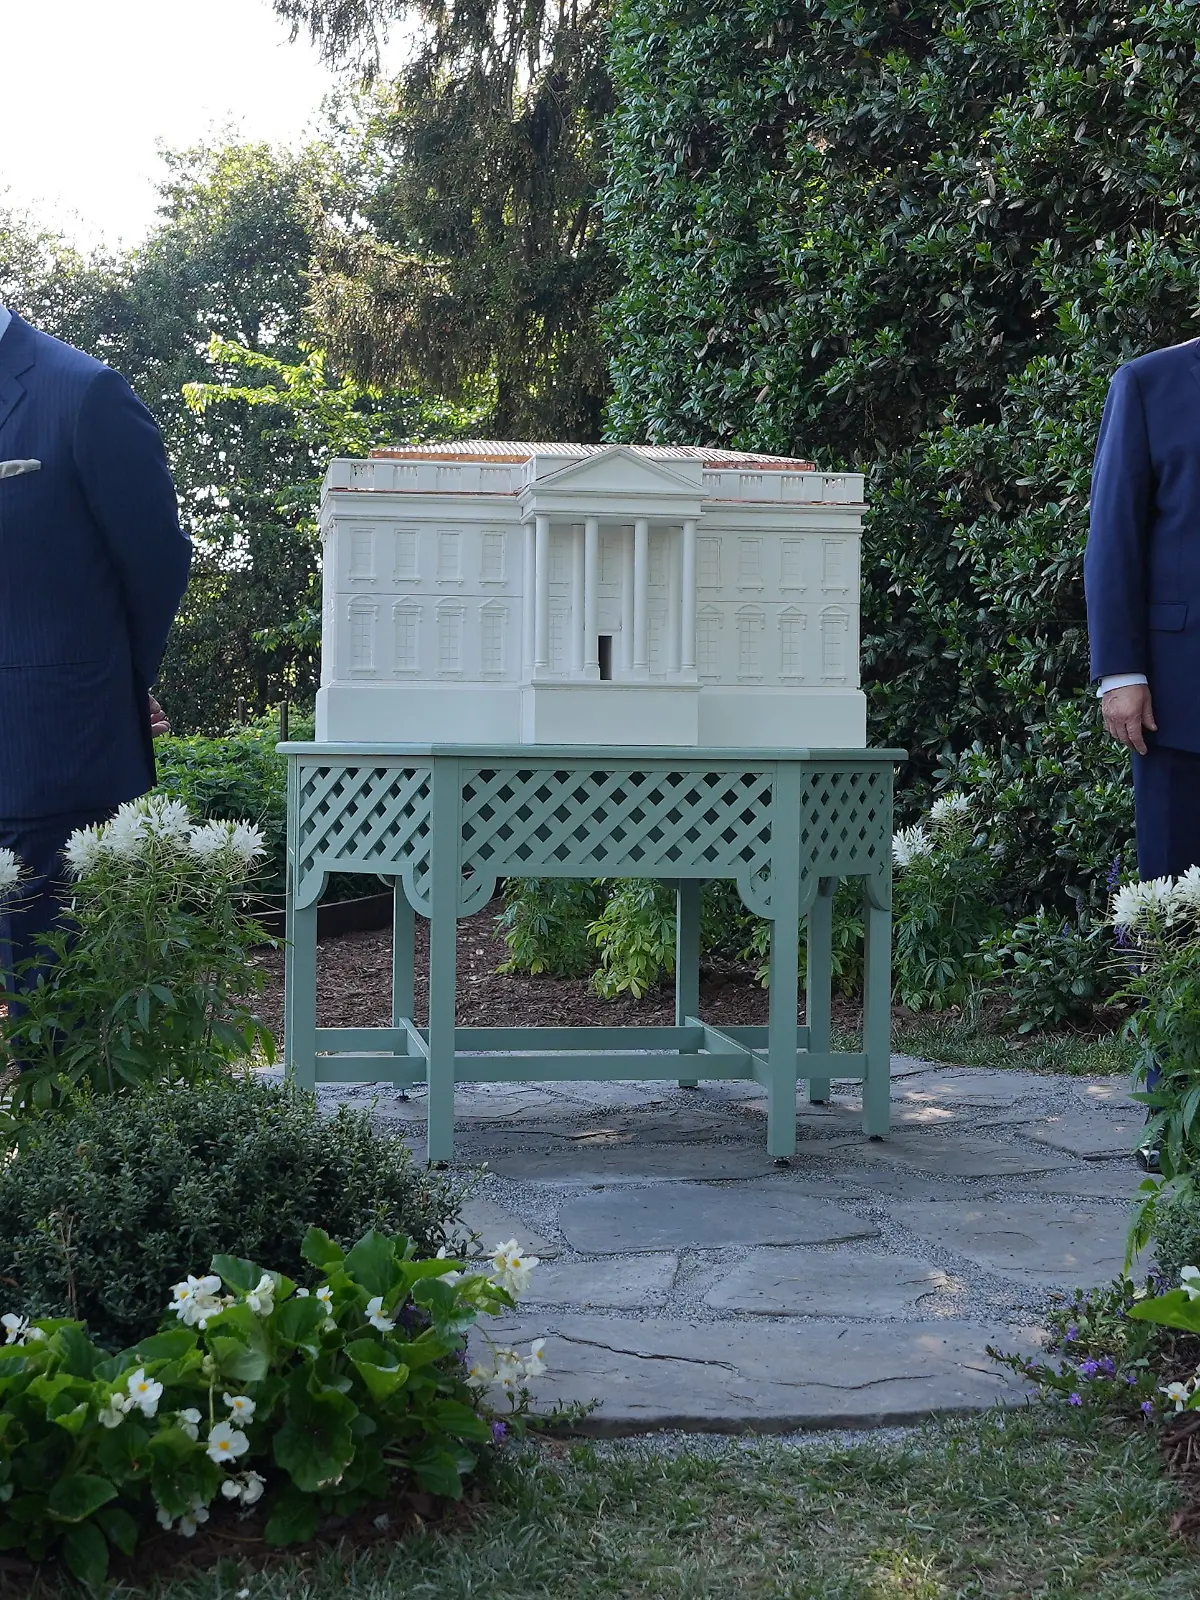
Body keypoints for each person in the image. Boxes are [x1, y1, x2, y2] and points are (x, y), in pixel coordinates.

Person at [0, 304, 191, 1005]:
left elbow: (156, 561)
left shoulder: (82, 392)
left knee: (62, 1018)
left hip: (49, 758)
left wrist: (117, 682)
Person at [1085, 337, 1200, 1167]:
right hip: (1181, 700)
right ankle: (1171, 1109)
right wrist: (1119, 671)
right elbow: (1112, 535)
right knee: (1170, 908)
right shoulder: (1151, 384)